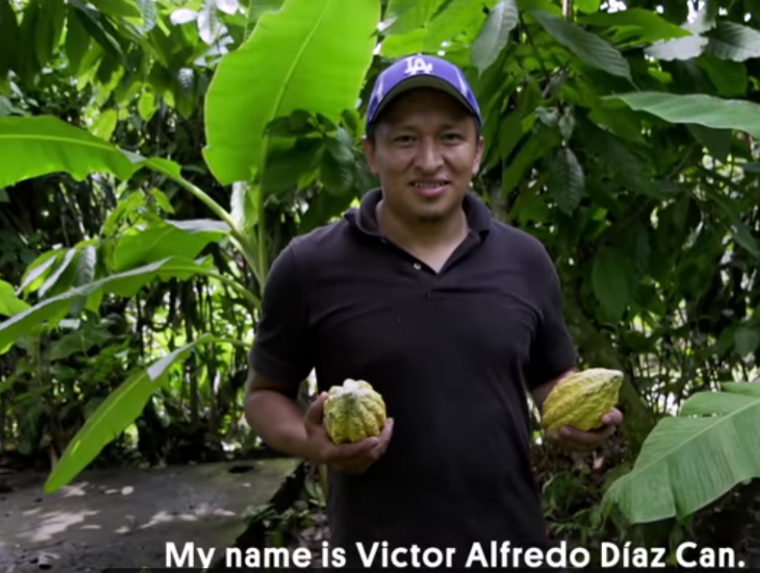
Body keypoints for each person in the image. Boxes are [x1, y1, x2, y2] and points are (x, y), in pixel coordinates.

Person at [243, 54, 623, 568]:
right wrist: (314, 445)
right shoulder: (310, 266)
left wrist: (581, 420)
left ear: (477, 151)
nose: (428, 160)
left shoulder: (524, 260)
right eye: (404, 139)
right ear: (371, 155)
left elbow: (553, 381)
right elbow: (265, 397)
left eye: (449, 137)